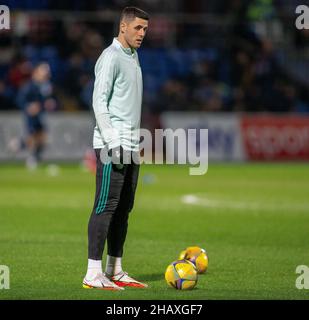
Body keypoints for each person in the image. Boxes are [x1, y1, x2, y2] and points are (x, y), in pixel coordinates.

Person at [83, 7, 149, 290]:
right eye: (137, 28)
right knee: (105, 206)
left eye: (145, 29)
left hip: (131, 145)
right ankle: (92, 273)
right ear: (123, 26)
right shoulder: (110, 57)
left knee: (124, 209)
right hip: (113, 146)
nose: (142, 34)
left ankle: (115, 269)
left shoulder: (133, 57)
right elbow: (99, 102)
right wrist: (114, 141)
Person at [16, 62, 57, 169]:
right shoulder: (29, 85)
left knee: (42, 138)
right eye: (44, 72)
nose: (46, 75)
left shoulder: (46, 86)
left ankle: (23, 146)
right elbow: (20, 99)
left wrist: (49, 104)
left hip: (40, 116)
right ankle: (30, 156)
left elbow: (47, 100)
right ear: (36, 72)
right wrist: (28, 106)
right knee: (32, 137)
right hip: (31, 116)